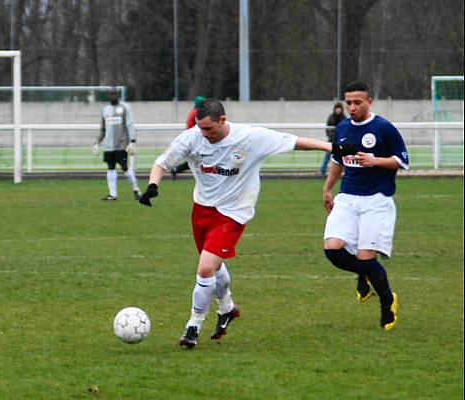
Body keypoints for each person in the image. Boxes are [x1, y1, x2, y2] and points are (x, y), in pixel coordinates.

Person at [137, 99, 357, 349]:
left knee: (206, 268)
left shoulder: (250, 137)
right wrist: (152, 186)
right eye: (200, 128)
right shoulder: (193, 137)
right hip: (202, 210)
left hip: (234, 213)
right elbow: (162, 162)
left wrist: (333, 147)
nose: (204, 134)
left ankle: (193, 325)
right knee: (213, 265)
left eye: (208, 129)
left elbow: (295, 142)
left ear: (222, 120)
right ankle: (228, 307)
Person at [322, 81, 409, 331]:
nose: (352, 107)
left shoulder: (383, 128)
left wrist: (375, 160)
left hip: (377, 199)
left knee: (365, 256)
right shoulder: (342, 128)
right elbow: (338, 161)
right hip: (348, 196)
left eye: (357, 102)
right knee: (333, 249)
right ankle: (365, 275)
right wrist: (327, 188)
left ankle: (387, 300)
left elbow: (402, 161)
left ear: (369, 102)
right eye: (348, 102)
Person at [93, 86, 140, 200]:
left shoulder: (124, 108)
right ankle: (112, 194)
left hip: (121, 145)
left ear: (117, 95)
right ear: (109, 95)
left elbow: (129, 124)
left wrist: (133, 141)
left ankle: (136, 189)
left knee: (124, 167)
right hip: (109, 147)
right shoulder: (105, 110)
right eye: (111, 93)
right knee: (110, 167)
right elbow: (103, 129)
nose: (113, 95)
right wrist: (97, 142)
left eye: (115, 93)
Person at [170, 96, 204, 180]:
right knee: (199, 160)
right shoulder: (197, 113)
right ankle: (176, 170)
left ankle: (175, 170)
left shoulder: (193, 111)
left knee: (195, 160)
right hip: (194, 139)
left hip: (191, 138)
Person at [319, 102, 346, 176]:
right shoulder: (331, 117)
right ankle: (322, 171)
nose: (338, 110)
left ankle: (344, 171)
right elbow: (327, 127)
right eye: (337, 108)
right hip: (331, 140)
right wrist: (329, 135)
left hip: (340, 141)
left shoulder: (344, 118)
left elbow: (345, 129)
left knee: (342, 156)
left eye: (339, 108)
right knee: (327, 156)